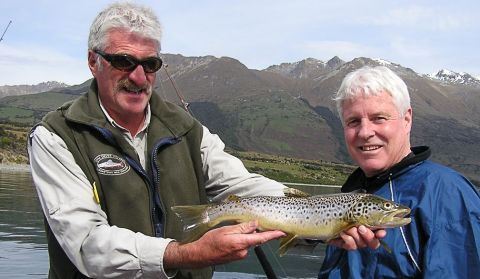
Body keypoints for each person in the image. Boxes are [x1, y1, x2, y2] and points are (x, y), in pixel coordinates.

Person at [318, 65, 480, 278]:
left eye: (379, 118)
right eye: (353, 121)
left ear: (407, 119)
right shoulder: (352, 195)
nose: (365, 132)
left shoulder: (448, 194)